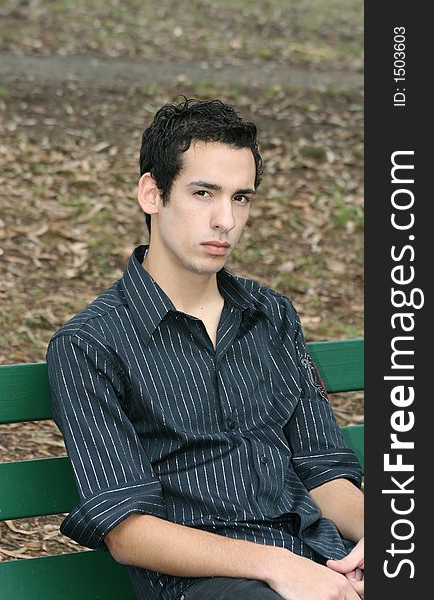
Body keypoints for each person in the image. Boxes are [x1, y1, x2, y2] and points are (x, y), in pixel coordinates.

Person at [46, 97, 364, 600]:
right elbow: (128, 531)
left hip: (318, 560)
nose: (225, 220)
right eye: (203, 193)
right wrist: (279, 567)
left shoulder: (271, 316)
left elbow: (321, 469)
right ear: (152, 193)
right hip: (208, 585)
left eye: (241, 198)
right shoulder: (91, 345)